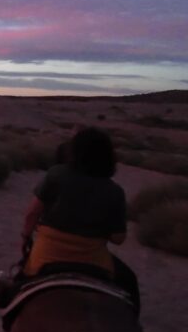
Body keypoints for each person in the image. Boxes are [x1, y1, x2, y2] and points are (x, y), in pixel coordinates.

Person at [19, 127, 140, 312]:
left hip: (47, 254)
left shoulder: (56, 174)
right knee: (129, 283)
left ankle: (8, 318)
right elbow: (118, 238)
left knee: (17, 284)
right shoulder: (115, 191)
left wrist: (26, 236)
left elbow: (31, 214)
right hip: (93, 259)